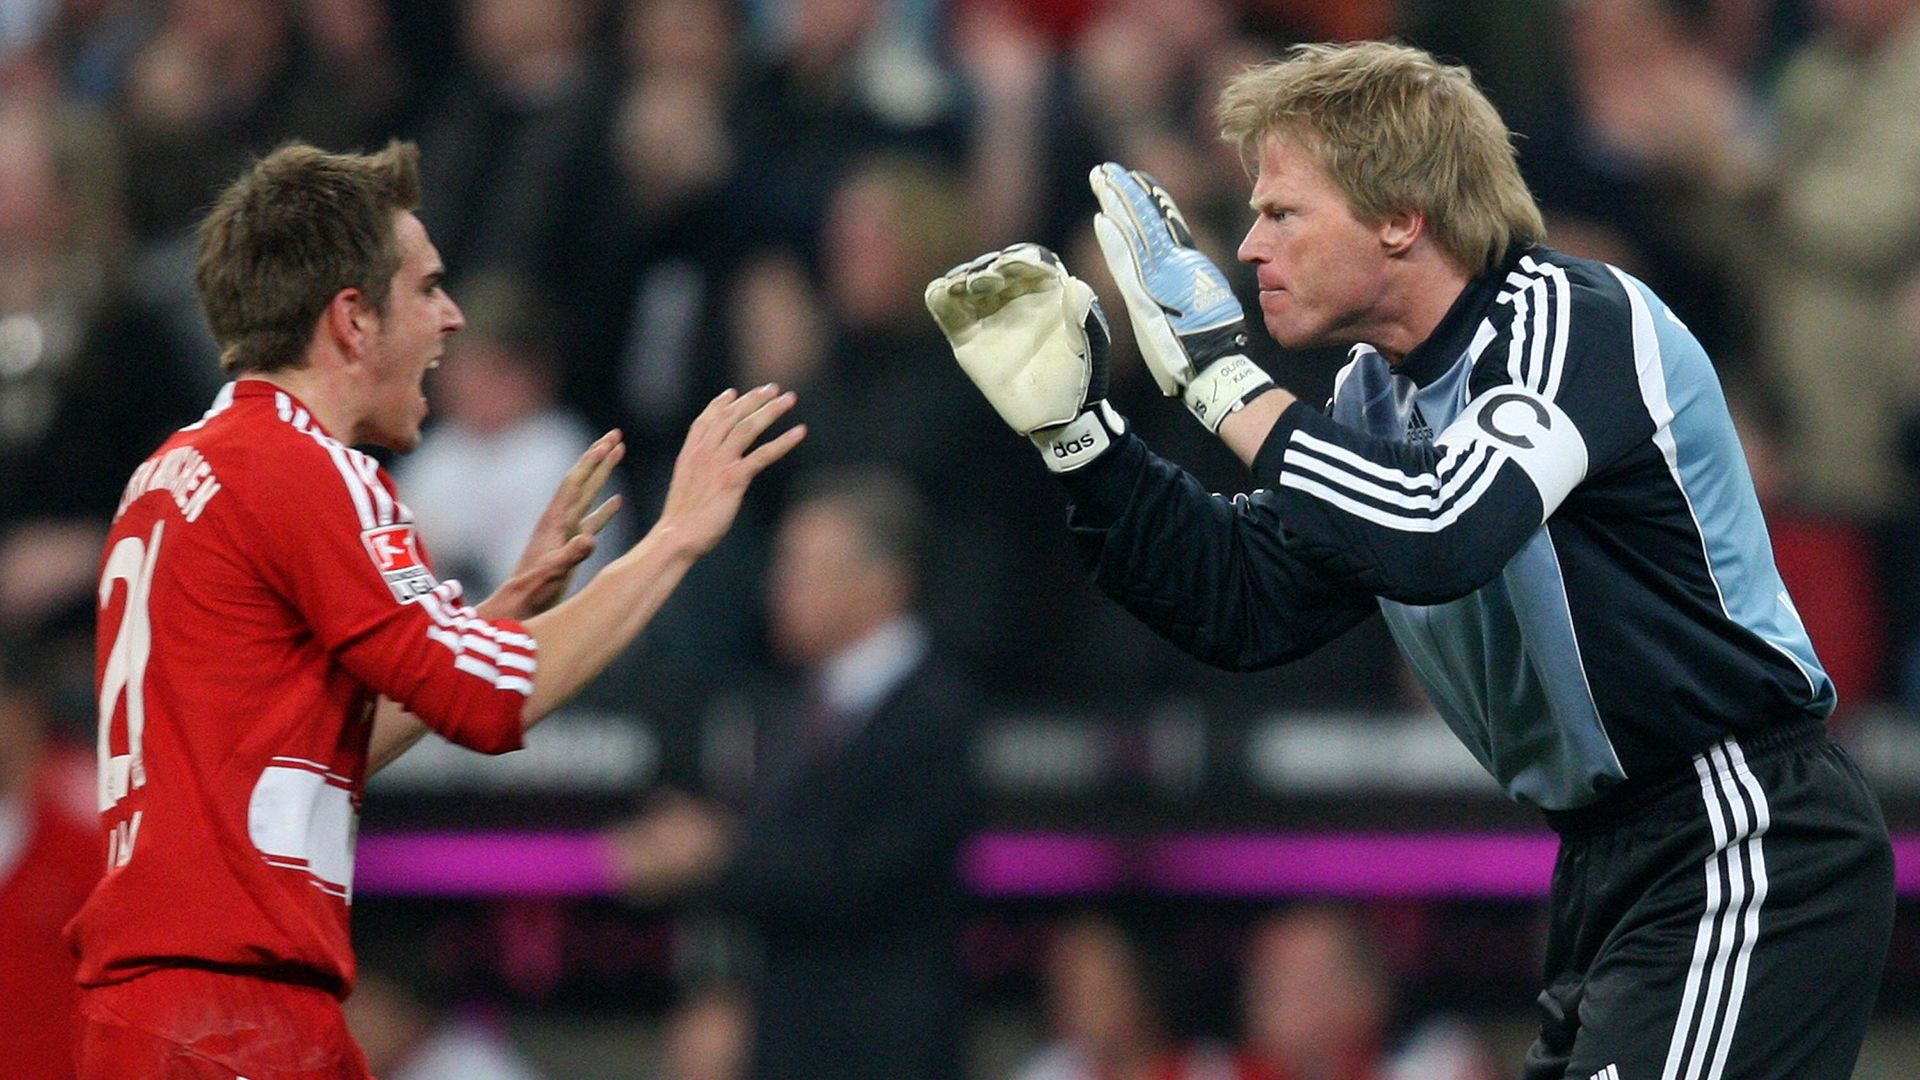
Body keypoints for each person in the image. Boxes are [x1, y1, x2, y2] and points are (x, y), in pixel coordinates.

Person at [928, 41, 1894, 1080]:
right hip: (1609, 855)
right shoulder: (1373, 395)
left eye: (1283, 213)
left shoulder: (1569, 319)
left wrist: (1221, 381)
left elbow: (1443, 529)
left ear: (1400, 216)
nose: (1247, 248)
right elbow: (1246, 602)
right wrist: (1084, 443)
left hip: (1740, 828)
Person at [68, 139, 805, 1080]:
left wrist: (498, 612)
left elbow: (297, 750)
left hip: (170, 1013)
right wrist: (677, 537)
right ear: (352, 320)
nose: (451, 317)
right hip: (234, 1015)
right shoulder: (308, 469)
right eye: (425, 289)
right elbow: (493, 701)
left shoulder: (176, 470)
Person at [607, 466, 977, 1080]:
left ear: (882, 581)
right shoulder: (786, 706)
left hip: (887, 1053)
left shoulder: (936, 714)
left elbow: (864, 880)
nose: (778, 588)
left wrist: (714, 855)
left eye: (800, 569)